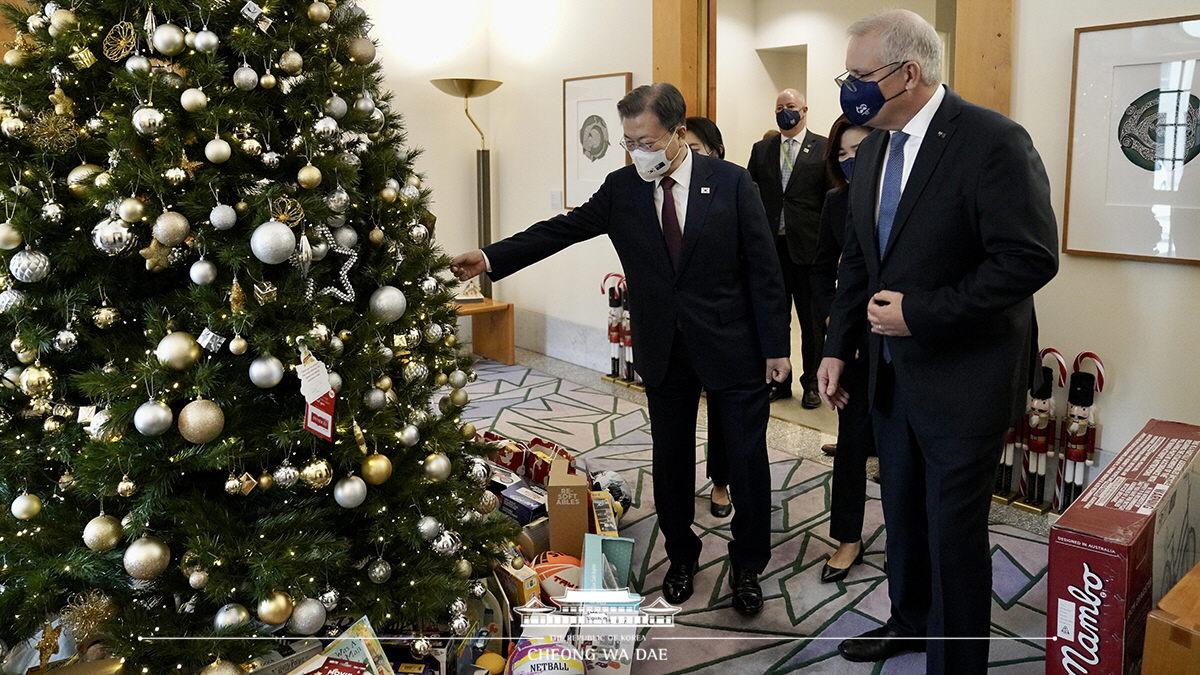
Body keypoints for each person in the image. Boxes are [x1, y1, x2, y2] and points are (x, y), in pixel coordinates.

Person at [451, 84, 791, 616]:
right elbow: (560, 230)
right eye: (628, 143)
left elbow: (766, 272)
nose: (637, 153)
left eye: (646, 141)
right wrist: (491, 259)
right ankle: (682, 555)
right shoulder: (623, 188)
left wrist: (776, 346)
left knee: (748, 461)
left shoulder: (732, 183)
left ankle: (748, 566)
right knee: (670, 458)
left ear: (679, 135)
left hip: (733, 346)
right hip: (662, 347)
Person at [817, 10, 1058, 675]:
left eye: (858, 75)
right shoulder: (871, 152)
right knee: (902, 513)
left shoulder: (993, 141)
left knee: (953, 532)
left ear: (908, 73)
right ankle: (910, 619)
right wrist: (838, 345)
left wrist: (920, 313)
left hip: (965, 379)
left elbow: (1028, 259)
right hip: (891, 379)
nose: (849, 87)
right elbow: (860, 263)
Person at [810, 115, 872, 584]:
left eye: (861, 151)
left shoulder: (907, 195)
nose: (852, 162)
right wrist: (835, 318)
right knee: (851, 442)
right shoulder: (837, 201)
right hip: (852, 342)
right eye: (844, 155)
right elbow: (820, 274)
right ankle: (849, 537)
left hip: (906, 337)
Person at [748, 89, 832, 409]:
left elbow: (831, 200)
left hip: (809, 250)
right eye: (780, 107)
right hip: (770, 249)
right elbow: (749, 196)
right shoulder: (762, 149)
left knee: (811, 324)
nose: (785, 112)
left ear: (805, 110)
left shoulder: (823, 147)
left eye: (791, 107)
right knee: (774, 318)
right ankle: (777, 380)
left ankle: (811, 383)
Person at [683, 116, 733, 520]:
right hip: (676, 332)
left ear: (714, 151)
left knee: (722, 415)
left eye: (697, 150)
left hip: (724, 327)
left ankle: (721, 482)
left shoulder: (732, 186)